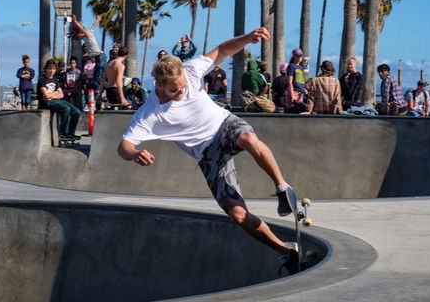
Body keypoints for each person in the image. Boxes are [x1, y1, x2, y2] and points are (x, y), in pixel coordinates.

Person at [117, 27, 302, 274]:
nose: (181, 91)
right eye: (174, 90)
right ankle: (287, 251)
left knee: (248, 138)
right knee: (237, 215)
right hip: (207, 155)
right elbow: (124, 146)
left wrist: (247, 39)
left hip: (224, 125)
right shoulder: (150, 114)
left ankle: (282, 187)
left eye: (182, 86)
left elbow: (223, 50)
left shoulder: (191, 70)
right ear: (160, 86)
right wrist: (134, 154)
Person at [38, 59, 81, 139]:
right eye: (50, 69)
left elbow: (61, 94)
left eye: (53, 69)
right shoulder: (42, 80)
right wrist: (55, 93)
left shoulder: (54, 79)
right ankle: (63, 133)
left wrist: (52, 95)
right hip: (46, 103)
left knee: (77, 112)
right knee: (66, 109)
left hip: (56, 100)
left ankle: (71, 133)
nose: (52, 71)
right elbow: (46, 96)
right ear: (46, 69)